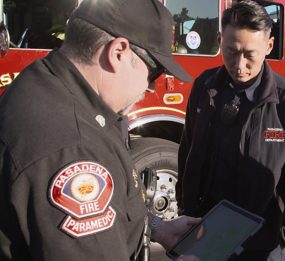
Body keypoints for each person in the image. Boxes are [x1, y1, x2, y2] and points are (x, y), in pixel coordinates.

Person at [0, 0, 199, 260]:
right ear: (118, 52)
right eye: (154, 71)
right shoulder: (74, 147)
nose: (150, 87)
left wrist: (155, 227)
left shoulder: (44, 82)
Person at [177, 0, 285, 260]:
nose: (239, 64)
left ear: (268, 46)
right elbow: (187, 150)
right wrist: (185, 210)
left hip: (261, 245)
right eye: (231, 51)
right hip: (205, 233)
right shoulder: (203, 87)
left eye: (249, 54)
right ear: (220, 40)